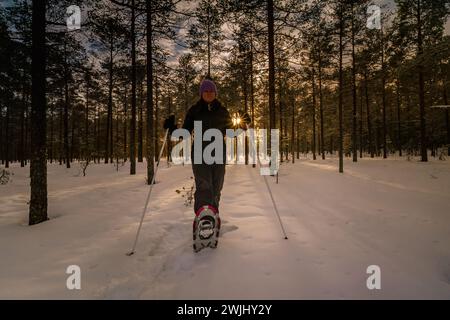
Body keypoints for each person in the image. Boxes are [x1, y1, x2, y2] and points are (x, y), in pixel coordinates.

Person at [182, 78, 249, 251]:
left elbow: (230, 132)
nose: (209, 94)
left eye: (211, 91)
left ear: (215, 93)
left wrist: (242, 125)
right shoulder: (194, 110)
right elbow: (184, 132)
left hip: (218, 154)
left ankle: (213, 216)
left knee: (216, 188)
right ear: (201, 93)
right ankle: (203, 219)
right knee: (204, 186)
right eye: (206, 91)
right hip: (200, 154)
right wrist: (171, 128)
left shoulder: (222, 111)